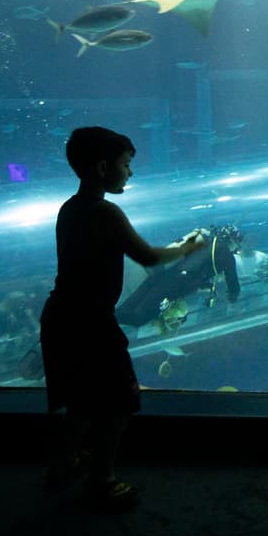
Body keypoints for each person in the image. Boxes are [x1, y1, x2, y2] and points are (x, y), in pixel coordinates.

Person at [39, 126, 207, 512]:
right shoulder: (105, 211)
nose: (130, 172)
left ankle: (64, 466)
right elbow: (147, 257)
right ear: (102, 167)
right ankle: (102, 480)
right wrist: (188, 247)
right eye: (126, 164)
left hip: (61, 315)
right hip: (91, 323)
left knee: (80, 402)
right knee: (119, 403)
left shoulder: (69, 207)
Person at [114, 224, 245, 327]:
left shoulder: (207, 242)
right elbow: (233, 285)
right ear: (232, 241)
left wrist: (207, 287)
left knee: (126, 307)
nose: (236, 250)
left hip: (163, 274)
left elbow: (195, 266)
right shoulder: (226, 254)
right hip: (175, 286)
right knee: (140, 318)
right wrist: (234, 299)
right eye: (236, 246)